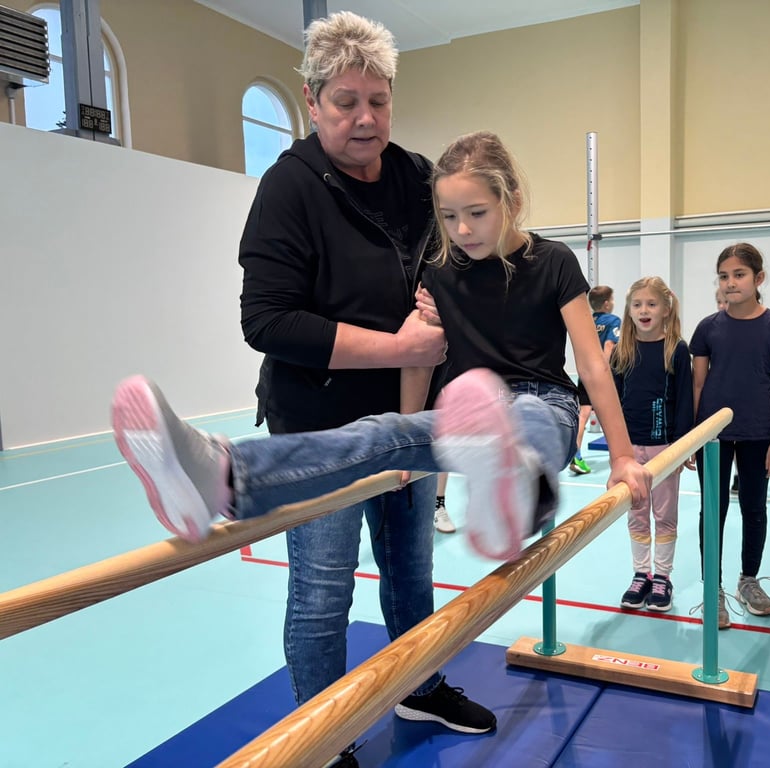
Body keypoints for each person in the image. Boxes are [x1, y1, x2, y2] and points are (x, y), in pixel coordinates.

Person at [110, 127, 652, 719]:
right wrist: (407, 443)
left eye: (476, 213)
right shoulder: (439, 275)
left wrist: (623, 455)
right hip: (466, 416)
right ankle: (223, 474)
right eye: (448, 217)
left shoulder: (552, 261)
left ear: (511, 201)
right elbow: (418, 361)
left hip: (542, 405)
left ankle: (516, 486)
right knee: (383, 431)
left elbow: (594, 366)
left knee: (521, 417)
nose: (462, 230)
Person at [199, 12, 489, 764]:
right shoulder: (288, 189)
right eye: (346, 102)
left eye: (379, 101)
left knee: (410, 574)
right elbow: (266, 321)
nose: (366, 119)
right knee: (324, 593)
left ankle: (419, 688)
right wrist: (398, 345)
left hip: (407, 417)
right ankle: (322, 740)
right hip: (319, 427)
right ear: (311, 100)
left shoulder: (416, 176)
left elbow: (459, 265)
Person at [690, 243, 770, 629]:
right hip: (713, 436)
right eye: (724, 276)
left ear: (758, 279)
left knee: (754, 509)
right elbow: (698, 383)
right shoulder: (707, 328)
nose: (731, 283)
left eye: (739, 275)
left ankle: (748, 580)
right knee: (712, 512)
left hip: (757, 432)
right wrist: (692, 436)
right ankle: (712, 589)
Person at [613, 278, 694, 613]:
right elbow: (613, 400)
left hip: (664, 447)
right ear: (629, 311)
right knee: (635, 513)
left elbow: (685, 399)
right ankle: (640, 573)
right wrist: (615, 447)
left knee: (664, 514)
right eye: (637, 305)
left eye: (651, 304)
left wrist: (683, 445)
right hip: (630, 448)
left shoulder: (676, 348)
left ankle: (662, 575)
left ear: (665, 309)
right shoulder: (622, 350)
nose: (644, 311)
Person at [569, 286, 621, 475]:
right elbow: (609, 345)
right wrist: (604, 372)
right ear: (607, 303)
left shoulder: (588, 321)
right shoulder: (613, 320)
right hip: (601, 374)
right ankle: (620, 456)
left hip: (585, 372)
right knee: (612, 412)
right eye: (613, 299)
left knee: (583, 413)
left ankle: (575, 455)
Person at [715, 288, 741, 496]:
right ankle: (735, 474)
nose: (723, 306)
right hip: (720, 401)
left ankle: (740, 474)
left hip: (743, 401)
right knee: (726, 443)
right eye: (719, 302)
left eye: (725, 301)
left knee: (741, 443)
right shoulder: (713, 329)